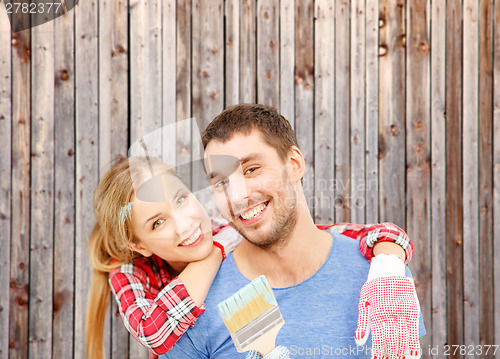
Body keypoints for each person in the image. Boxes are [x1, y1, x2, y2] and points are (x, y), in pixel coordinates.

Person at [161, 104, 425, 359]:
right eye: (221, 182)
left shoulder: (382, 278)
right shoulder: (197, 304)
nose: (238, 195)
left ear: (294, 163)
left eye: (251, 169)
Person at [85, 156, 414, 359]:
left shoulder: (226, 229)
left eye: (181, 200)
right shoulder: (129, 271)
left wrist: (387, 262)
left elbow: (342, 234)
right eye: (158, 222)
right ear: (139, 245)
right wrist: (212, 254)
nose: (184, 225)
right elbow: (154, 333)